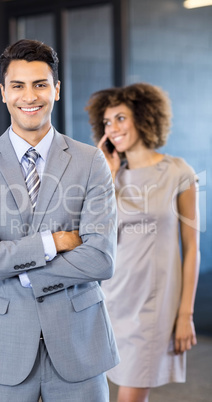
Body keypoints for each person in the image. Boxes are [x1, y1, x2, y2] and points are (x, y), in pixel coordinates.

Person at [0, 39, 119, 402]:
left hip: (78, 346)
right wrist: (52, 243)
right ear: (3, 92)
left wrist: (16, 268)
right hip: (0, 346)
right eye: (18, 85)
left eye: (40, 84)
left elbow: (101, 258)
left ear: (56, 90)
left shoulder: (90, 162)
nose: (30, 96)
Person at [85, 83, 200, 402]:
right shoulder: (111, 178)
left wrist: (185, 314)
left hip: (153, 304)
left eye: (121, 118)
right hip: (110, 299)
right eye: (107, 122)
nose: (114, 128)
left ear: (144, 117)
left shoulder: (179, 172)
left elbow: (191, 249)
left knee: (131, 395)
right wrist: (106, 176)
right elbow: (94, 237)